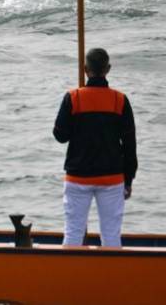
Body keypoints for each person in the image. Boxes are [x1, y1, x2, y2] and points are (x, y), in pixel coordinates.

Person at [53, 47, 137, 247]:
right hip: (112, 177)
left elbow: (60, 136)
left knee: (72, 233)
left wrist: (79, 124)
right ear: (108, 69)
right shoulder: (120, 100)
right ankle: (110, 277)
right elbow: (129, 145)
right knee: (111, 236)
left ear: (84, 69)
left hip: (78, 176)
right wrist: (129, 178)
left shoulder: (73, 98)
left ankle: (71, 276)